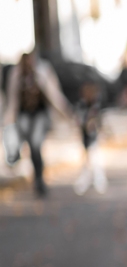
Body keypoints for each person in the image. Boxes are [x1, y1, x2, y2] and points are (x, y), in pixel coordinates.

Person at [3, 51, 72, 197]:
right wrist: (8, 120)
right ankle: (17, 157)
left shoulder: (42, 71)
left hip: (40, 114)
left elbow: (54, 94)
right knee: (24, 140)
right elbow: (12, 100)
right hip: (24, 115)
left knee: (35, 145)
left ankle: (39, 180)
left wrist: (66, 112)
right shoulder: (16, 74)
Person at [73, 81, 107, 195]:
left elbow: (98, 120)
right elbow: (78, 119)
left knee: (94, 158)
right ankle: (89, 181)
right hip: (85, 135)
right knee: (88, 159)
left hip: (93, 136)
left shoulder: (95, 105)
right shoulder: (81, 104)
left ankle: (98, 181)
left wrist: (93, 123)